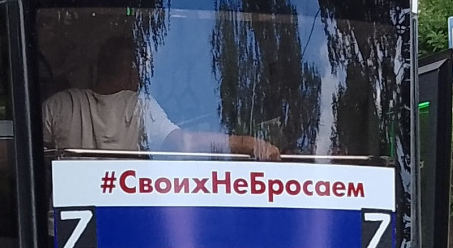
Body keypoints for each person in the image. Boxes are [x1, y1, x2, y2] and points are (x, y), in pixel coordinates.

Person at [42, 35, 279, 159]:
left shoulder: (60, 104)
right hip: (120, 216)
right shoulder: (139, 106)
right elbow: (183, 143)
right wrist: (244, 143)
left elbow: (27, 151)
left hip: (65, 225)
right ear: (132, 72)